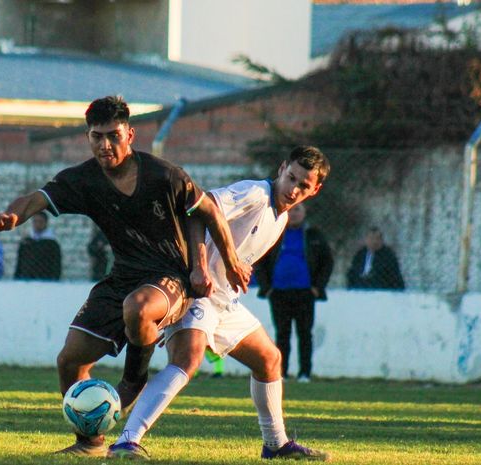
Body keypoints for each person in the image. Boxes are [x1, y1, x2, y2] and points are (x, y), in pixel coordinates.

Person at [0, 95, 250, 457]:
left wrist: (223, 263)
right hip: (122, 275)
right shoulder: (84, 179)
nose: (105, 145)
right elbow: (37, 198)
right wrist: (13, 217)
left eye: (112, 135)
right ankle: (90, 440)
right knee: (70, 361)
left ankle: (134, 379)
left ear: (130, 134)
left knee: (138, 307)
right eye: (96, 136)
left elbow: (209, 212)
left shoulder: (163, 175)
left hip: (169, 277)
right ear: (88, 137)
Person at [108, 146, 331, 461]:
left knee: (269, 360)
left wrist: (234, 264)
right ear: (282, 168)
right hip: (199, 291)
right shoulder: (255, 192)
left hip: (225, 300)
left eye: (303, 186)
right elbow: (199, 208)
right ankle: (126, 442)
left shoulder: (279, 217)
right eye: (291, 177)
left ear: (315, 189)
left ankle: (276, 444)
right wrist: (200, 266)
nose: (293, 189)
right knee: (188, 359)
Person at [255, 202, 333, 383]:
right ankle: (281, 373)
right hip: (279, 293)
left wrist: (317, 287)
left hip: (305, 293)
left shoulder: (314, 236)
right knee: (282, 334)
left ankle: (304, 373)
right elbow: (260, 260)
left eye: (298, 210)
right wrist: (267, 288)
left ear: (305, 212)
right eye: (290, 210)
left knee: (305, 333)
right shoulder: (274, 233)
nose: (294, 214)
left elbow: (327, 262)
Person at [14, 212, 62, 280]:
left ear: (46, 222)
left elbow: (56, 266)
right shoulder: (26, 242)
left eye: (40, 221)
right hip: (26, 282)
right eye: (35, 221)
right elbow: (19, 264)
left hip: (46, 282)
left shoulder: (52, 244)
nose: (37, 224)